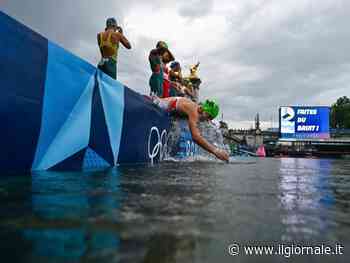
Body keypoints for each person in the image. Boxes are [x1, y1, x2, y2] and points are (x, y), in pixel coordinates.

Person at [152, 96, 230, 161]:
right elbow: (196, 137)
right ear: (204, 111)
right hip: (159, 104)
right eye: (208, 117)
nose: (208, 120)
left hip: (171, 106)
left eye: (210, 118)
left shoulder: (200, 110)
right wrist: (216, 151)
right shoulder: (194, 112)